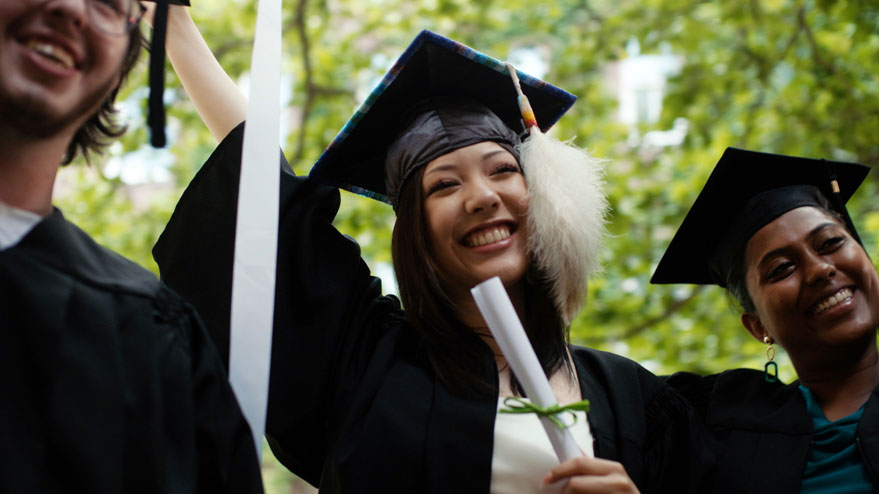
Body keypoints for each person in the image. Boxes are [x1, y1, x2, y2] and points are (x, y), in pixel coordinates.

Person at [153, 7, 706, 493]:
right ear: (415, 232)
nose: (483, 197)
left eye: (503, 170)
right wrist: (172, 25)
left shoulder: (630, 398)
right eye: (444, 185)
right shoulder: (369, 364)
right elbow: (266, 198)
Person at [0, 0, 263, 492]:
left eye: (109, 2)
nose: (71, 8)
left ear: (118, 71)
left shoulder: (150, 334)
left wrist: (175, 21)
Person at [652, 147, 879, 493]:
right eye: (781, 268)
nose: (820, 269)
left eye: (831, 242)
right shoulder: (715, 431)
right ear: (758, 326)